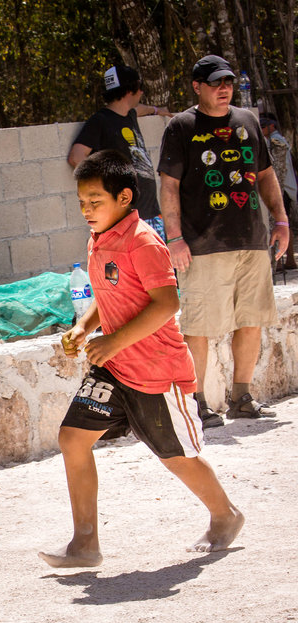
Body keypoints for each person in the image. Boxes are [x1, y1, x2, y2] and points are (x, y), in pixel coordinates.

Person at [39, 150, 244, 568]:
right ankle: (85, 544)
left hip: (156, 373)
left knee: (175, 456)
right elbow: (108, 292)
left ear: (125, 198)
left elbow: (167, 303)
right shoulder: (99, 238)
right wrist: (85, 328)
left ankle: (225, 515)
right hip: (114, 369)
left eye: (95, 202)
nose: (86, 211)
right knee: (73, 438)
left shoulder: (143, 242)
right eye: (81, 202)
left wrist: (113, 342)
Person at [158, 54, 290, 429]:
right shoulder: (181, 126)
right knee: (199, 326)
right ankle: (196, 402)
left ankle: (241, 397)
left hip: (250, 240)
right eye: (215, 82)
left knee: (251, 320)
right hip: (201, 244)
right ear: (197, 86)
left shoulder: (247, 120)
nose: (224, 88)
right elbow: (168, 186)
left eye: (228, 81)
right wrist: (175, 238)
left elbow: (265, 174)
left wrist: (280, 219)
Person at [68, 64, 172, 238]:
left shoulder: (129, 115)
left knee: (162, 264)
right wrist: (107, 184)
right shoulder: (100, 121)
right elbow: (75, 157)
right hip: (126, 221)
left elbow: (139, 109)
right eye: (140, 88)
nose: (142, 93)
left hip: (151, 214)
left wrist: (156, 110)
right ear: (129, 91)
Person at [260, 112, 297, 269]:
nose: (261, 130)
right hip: (283, 186)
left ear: (271, 126)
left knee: (282, 223)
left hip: (284, 187)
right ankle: (284, 260)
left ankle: (286, 260)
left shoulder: (277, 141)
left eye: (263, 126)